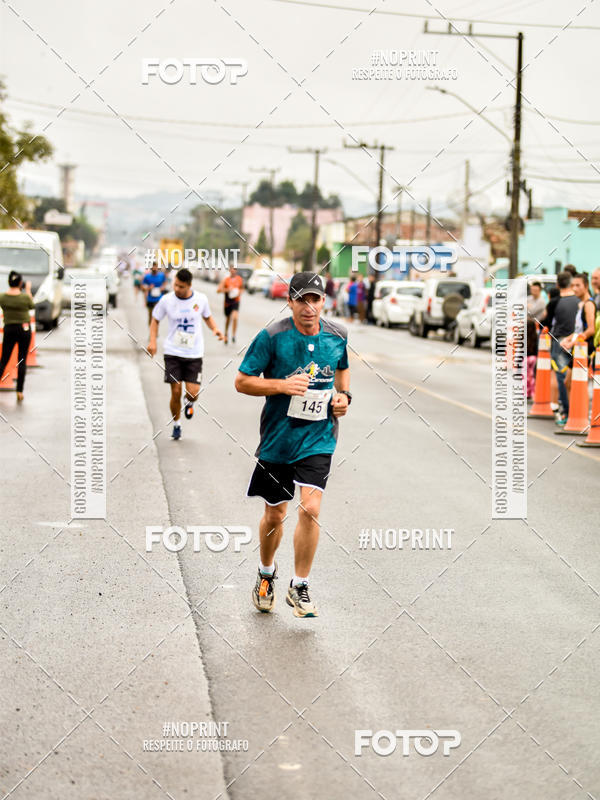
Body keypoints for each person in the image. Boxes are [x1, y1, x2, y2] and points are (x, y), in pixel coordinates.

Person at [235, 272, 351, 618]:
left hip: (319, 437)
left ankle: (299, 585)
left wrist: (344, 397)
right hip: (279, 438)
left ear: (324, 302)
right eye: (301, 299)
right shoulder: (271, 337)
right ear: (290, 302)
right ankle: (266, 574)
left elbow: (342, 372)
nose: (308, 306)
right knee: (275, 512)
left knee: (311, 509)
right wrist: (280, 387)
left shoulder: (338, 336)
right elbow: (242, 382)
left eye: (314, 299)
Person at [148, 267, 224, 440]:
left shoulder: (201, 299)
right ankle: (176, 424)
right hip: (172, 352)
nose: (176, 289)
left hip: (194, 353)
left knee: (193, 393)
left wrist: (216, 329)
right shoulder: (166, 300)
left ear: (189, 285)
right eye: (175, 285)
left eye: (181, 286)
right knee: (175, 391)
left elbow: (207, 317)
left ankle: (189, 402)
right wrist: (152, 341)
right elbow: (155, 319)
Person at [0, 271, 34, 402]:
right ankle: (19, 391)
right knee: (22, 360)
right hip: (24, 328)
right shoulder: (25, 297)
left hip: (9, 328)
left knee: (4, 359)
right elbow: (32, 305)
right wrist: (28, 290)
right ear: (20, 283)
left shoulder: (2, 297)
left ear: (9, 282)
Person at [550, 271, 579, 426]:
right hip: (575, 341)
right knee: (573, 379)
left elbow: (547, 320)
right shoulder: (579, 301)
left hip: (561, 341)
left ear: (557, 284)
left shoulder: (555, 301)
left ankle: (567, 412)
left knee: (562, 378)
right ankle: (571, 412)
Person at [559, 272, 596, 361]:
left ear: (586, 286)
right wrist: (568, 339)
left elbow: (591, 330)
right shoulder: (581, 304)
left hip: (585, 350)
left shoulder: (589, 304)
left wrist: (572, 343)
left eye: (578, 285)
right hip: (579, 348)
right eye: (572, 285)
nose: (574, 288)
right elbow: (579, 330)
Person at [217, 265, 243, 344]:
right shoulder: (226, 280)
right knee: (228, 319)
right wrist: (228, 290)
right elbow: (218, 290)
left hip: (236, 301)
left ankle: (234, 335)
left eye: (235, 269)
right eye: (232, 269)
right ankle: (226, 333)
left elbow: (242, 288)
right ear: (229, 270)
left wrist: (239, 292)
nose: (233, 271)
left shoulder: (239, 279)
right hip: (228, 302)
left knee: (235, 317)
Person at [526, 317, 538, 400]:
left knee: (526, 376)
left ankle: (526, 392)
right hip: (533, 358)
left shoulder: (523, 336)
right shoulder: (536, 336)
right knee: (532, 376)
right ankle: (533, 392)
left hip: (525, 358)